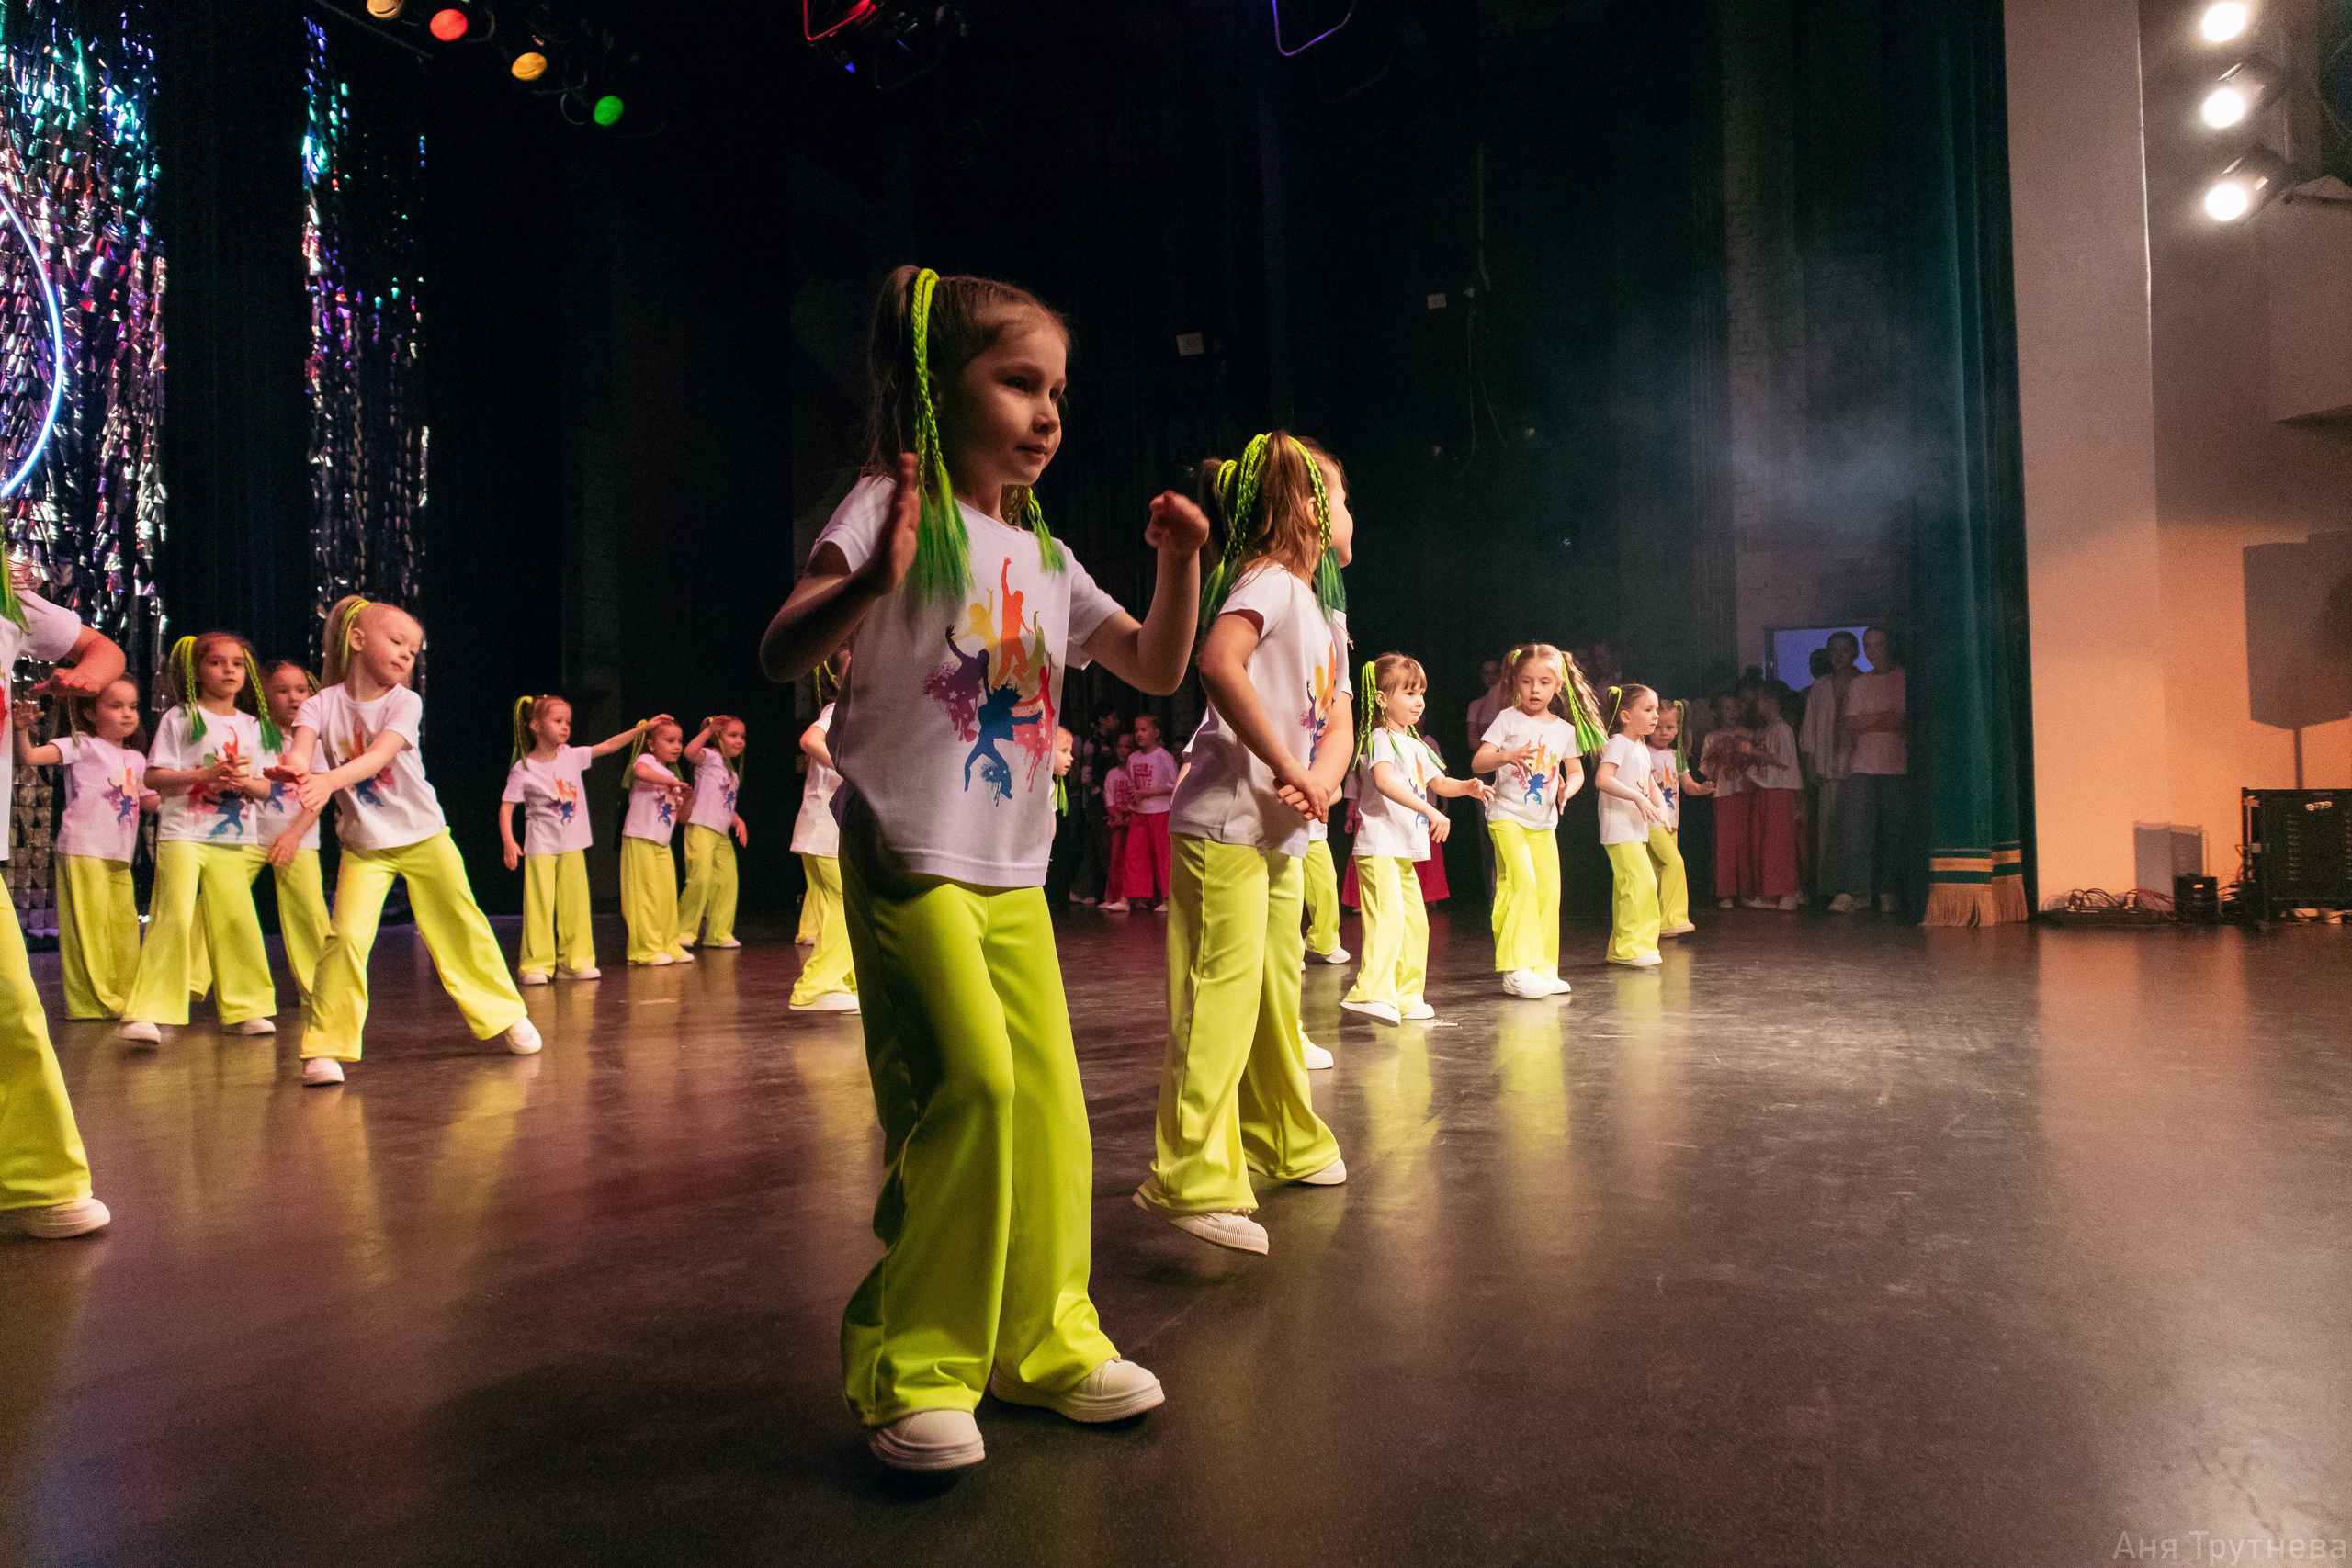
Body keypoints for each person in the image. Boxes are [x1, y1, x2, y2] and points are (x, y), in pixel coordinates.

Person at [758, 265, 1202, 1471]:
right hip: (907, 847)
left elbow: (1157, 667)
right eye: (1019, 381)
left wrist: (1177, 564)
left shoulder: (1045, 555)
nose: (1049, 411)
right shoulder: (886, 500)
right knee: (969, 1091)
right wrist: (871, 579)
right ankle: (916, 1362)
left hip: (1011, 870)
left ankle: (1047, 1342)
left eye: (1058, 389)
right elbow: (780, 643)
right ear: (931, 391)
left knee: (1051, 1111)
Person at [1140, 431, 1351, 1259]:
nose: (1346, 513)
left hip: (1279, 828)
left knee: (1274, 991)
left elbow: (1340, 714)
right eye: (1338, 496)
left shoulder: (1318, 607)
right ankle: (1190, 1173)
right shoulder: (1265, 579)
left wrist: (1321, 779)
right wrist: (1288, 765)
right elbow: (1217, 663)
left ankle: (1284, 1137)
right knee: (1218, 994)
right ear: (1305, 504)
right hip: (1226, 821)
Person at [284, 595, 541, 1084]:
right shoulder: (320, 703)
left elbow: (378, 757)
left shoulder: (405, 701)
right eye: (397, 642)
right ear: (357, 640)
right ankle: (326, 1047)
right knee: (345, 938)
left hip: (424, 836)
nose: (407, 655)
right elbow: (301, 750)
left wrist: (328, 781)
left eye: (414, 650)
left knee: (460, 923)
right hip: (364, 845)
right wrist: (293, 769)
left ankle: (507, 1014)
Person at [0, 571, 126, 1238]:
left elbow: (103, 650)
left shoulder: (7, 597)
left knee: (11, 1005)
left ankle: (40, 1182)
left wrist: (87, 675)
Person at [116, 634, 278, 1045]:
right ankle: (148, 1011)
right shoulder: (181, 717)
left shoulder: (257, 729)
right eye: (218, 663)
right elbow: (154, 778)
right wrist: (203, 776)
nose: (229, 671)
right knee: (174, 916)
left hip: (233, 838)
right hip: (183, 833)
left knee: (236, 920)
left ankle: (249, 1007)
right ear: (197, 671)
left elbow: (272, 790)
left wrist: (243, 781)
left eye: (237, 664)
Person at [1341, 653, 1491, 1023]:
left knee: (1415, 922)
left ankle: (1407, 995)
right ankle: (1371, 992)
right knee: (1388, 916)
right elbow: (1384, 781)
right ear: (1381, 698)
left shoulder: (1415, 743)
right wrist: (1429, 810)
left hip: (1402, 849)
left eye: (1421, 692)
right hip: (1378, 845)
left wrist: (1468, 787)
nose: (1418, 700)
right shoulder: (1378, 738)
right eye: (1408, 692)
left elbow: (1438, 783)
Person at [13, 679, 153, 1020]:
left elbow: (151, 799)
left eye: (132, 707)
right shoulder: (83, 745)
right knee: (88, 928)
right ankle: (96, 1002)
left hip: (119, 852)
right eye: (115, 706)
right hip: (83, 846)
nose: (127, 714)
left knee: (122, 928)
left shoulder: (136, 756)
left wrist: (201, 784)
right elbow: (29, 757)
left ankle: (125, 994)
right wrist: (21, 730)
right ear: (90, 712)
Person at [500, 695, 659, 985]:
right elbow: (507, 806)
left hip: (572, 844)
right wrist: (510, 842)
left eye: (568, 722)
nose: (565, 728)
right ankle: (537, 964)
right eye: (557, 721)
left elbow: (609, 745)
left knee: (575, 904)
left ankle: (575, 961)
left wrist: (643, 729)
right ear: (535, 725)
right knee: (540, 905)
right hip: (541, 847)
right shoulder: (524, 768)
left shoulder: (570, 755)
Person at [1472, 644, 1588, 998]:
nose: (1535, 690)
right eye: (1527, 681)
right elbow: (1479, 763)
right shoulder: (1507, 718)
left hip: (1543, 822)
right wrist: (1506, 755)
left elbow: (1576, 771)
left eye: (1544, 682)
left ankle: (1543, 968)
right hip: (1506, 814)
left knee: (1549, 889)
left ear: (1558, 686)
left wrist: (1570, 789)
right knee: (1520, 881)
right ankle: (1517, 968)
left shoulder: (1564, 729)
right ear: (1515, 683)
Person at [257, 660, 334, 1003]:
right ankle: (183, 986)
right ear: (264, 693)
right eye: (283, 690)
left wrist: (292, 835)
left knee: (309, 912)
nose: (294, 697)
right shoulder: (252, 731)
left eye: (301, 690)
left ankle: (321, 990)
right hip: (247, 835)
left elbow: (319, 795)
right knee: (214, 907)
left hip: (297, 837)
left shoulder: (313, 739)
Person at [1829, 626, 1909, 915]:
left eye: (1878, 644)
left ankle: (1888, 891)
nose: (1873, 651)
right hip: (1862, 766)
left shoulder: (1902, 678)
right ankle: (1858, 893)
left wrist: (1870, 720)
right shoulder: (1859, 684)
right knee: (1857, 832)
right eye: (1868, 645)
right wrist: (1882, 718)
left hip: (1895, 766)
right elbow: (1851, 723)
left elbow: (1901, 719)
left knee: (1893, 833)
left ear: (1889, 645)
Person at [1595, 684, 1672, 966]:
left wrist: (1661, 805)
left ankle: (1623, 947)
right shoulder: (1618, 743)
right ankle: (1632, 948)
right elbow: (1603, 779)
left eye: (1656, 709)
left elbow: (1649, 781)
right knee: (1642, 882)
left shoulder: (1639, 746)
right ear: (1626, 716)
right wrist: (1637, 797)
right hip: (1619, 827)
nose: (1656, 716)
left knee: (1630, 886)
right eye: (1648, 709)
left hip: (1635, 828)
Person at [789, 693, 857, 1013]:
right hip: (824, 829)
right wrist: (851, 767)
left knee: (842, 905)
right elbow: (810, 740)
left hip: (825, 829)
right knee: (846, 902)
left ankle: (844, 981)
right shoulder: (839, 708)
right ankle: (818, 987)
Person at [618, 718, 695, 965]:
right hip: (640, 837)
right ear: (651, 744)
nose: (676, 746)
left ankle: (668, 944)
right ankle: (645, 950)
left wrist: (689, 797)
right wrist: (672, 782)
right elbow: (639, 772)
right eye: (669, 741)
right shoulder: (647, 762)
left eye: (679, 741)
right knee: (645, 897)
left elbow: (683, 818)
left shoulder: (672, 774)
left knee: (666, 897)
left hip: (661, 843)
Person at [677, 714, 749, 951]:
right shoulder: (710, 757)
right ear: (718, 737)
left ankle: (719, 933)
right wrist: (708, 732)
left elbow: (724, 802)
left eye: (742, 736)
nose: (740, 741)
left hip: (720, 832)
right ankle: (684, 930)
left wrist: (737, 820)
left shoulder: (732, 771)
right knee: (701, 878)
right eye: (733, 735)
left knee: (727, 882)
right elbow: (688, 752)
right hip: (700, 827)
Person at [1801, 632, 1858, 897]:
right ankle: (1830, 889)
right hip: (1828, 768)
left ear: (1855, 653)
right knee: (1828, 830)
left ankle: (1855, 890)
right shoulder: (1820, 686)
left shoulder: (1862, 682)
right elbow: (1810, 729)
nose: (1838, 656)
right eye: (1833, 650)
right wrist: (1810, 764)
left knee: (1855, 829)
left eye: (1845, 650)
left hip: (1857, 766)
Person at [1648, 699, 1709, 938]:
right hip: (1652, 820)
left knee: (1662, 870)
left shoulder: (1677, 756)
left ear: (1678, 728)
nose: (1663, 733)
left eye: (1670, 728)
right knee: (1671, 865)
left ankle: (1659, 922)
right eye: (1658, 727)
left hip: (1672, 823)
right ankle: (1672, 919)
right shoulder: (1644, 752)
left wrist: (1701, 789)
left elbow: (1688, 785)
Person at [1742, 683, 1804, 911]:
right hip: (1765, 786)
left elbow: (1784, 759)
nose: (1755, 704)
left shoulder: (1782, 729)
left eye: (1759, 699)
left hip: (1780, 789)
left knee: (1779, 842)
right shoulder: (1766, 729)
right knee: (1764, 841)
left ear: (1770, 701)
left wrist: (1752, 751)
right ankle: (1769, 893)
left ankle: (1787, 892)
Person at [1700, 686, 1753, 908]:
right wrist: (1718, 750)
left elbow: (1756, 761)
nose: (1731, 712)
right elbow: (1705, 769)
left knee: (1746, 841)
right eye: (1726, 708)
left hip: (1746, 790)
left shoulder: (1748, 734)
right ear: (1717, 712)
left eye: (1734, 707)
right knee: (1726, 843)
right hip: (1723, 793)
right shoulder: (1712, 737)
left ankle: (1747, 890)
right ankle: (1726, 891)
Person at [1118, 714, 1176, 910]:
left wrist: (1148, 792)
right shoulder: (1133, 758)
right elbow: (1130, 782)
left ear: (1155, 732)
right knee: (1134, 854)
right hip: (1139, 812)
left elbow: (1174, 784)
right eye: (1137, 730)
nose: (1139, 734)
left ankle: (1167, 899)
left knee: (1162, 855)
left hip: (1160, 811)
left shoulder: (1164, 756)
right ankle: (1128, 898)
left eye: (1144, 730)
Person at [1299, 805, 1347, 964]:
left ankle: (1324, 940)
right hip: (1282, 827)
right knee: (1288, 891)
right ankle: (1288, 950)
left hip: (1314, 829)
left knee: (1326, 884)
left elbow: (1336, 791)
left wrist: (1317, 801)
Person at [1098, 731, 1137, 912]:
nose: (1122, 750)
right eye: (1120, 746)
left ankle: (1135, 897)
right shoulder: (1112, 774)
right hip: (1117, 822)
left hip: (1134, 820)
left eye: (1127, 747)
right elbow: (1109, 795)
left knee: (1134, 860)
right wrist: (1114, 813)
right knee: (1116, 859)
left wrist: (1130, 813)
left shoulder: (1134, 771)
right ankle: (1113, 896)